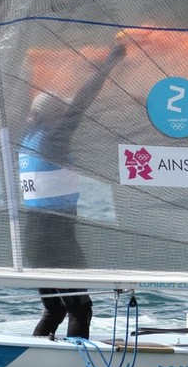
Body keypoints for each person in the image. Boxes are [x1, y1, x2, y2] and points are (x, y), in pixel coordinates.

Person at [20, 41, 126, 340]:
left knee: (55, 309)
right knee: (80, 308)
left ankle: (39, 354)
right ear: (54, 117)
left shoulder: (28, 137)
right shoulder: (54, 138)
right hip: (57, 242)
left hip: (35, 242)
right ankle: (77, 364)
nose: (67, 116)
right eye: (62, 112)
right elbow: (83, 102)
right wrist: (109, 63)